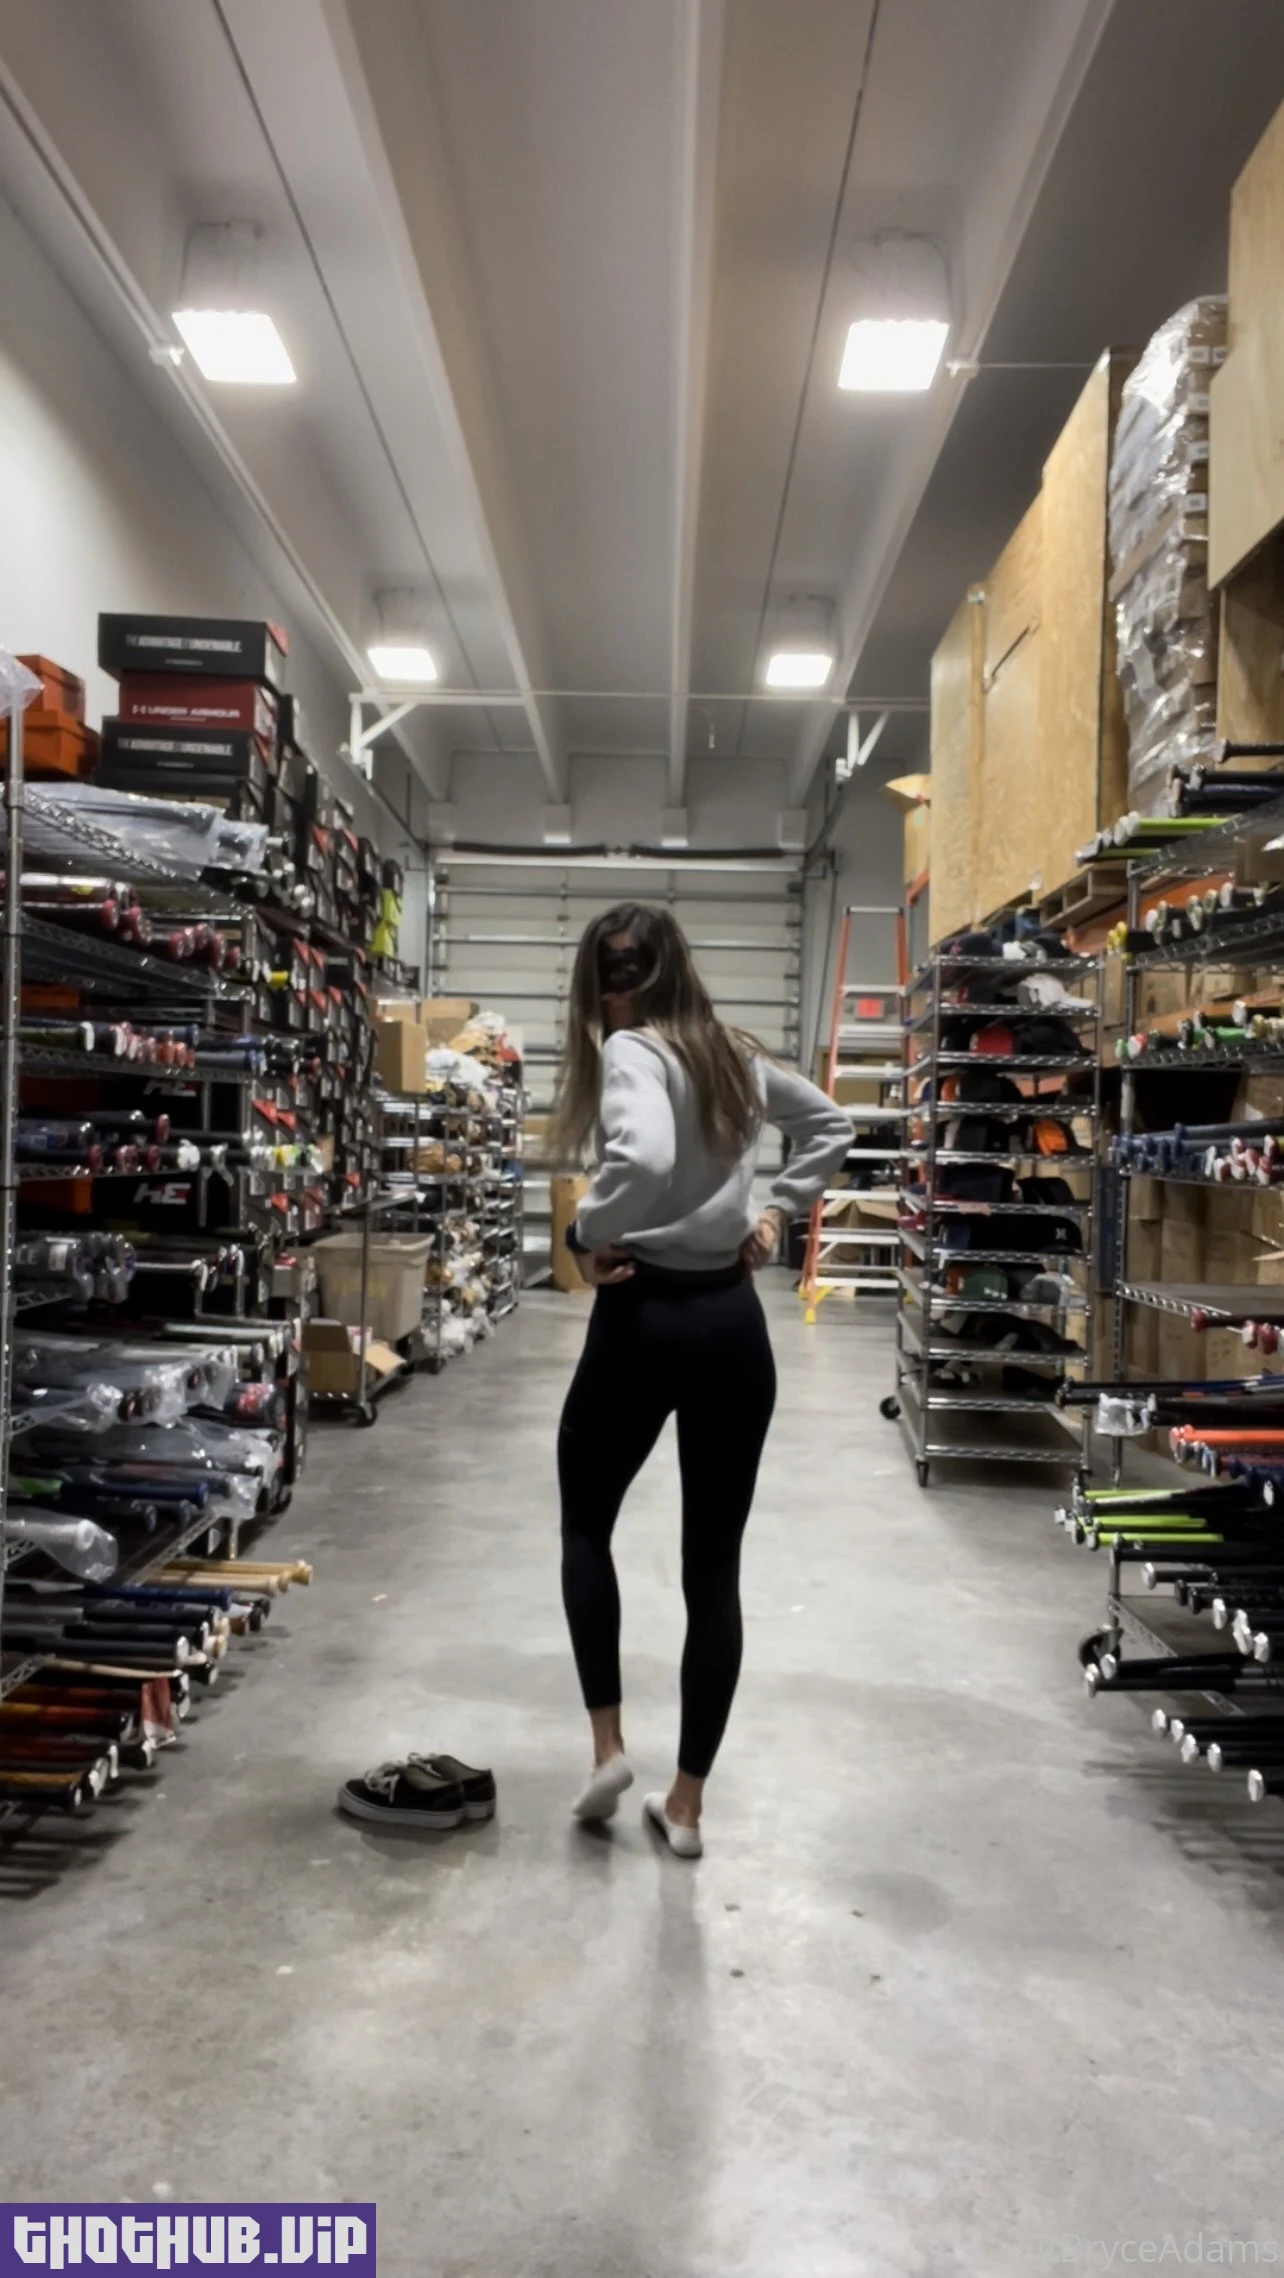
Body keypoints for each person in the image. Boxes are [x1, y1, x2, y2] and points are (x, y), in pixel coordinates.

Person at [549, 902, 852, 1859]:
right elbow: (830, 1123)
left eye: (617, 974)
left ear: (617, 982)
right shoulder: (732, 1054)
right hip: (730, 1324)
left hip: (642, 1317)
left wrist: (587, 1232)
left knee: (586, 1525)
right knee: (712, 1570)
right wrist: (777, 1213)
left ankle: (608, 1749)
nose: (615, 991)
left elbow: (642, 1158)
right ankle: (684, 1807)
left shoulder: (633, 1051)